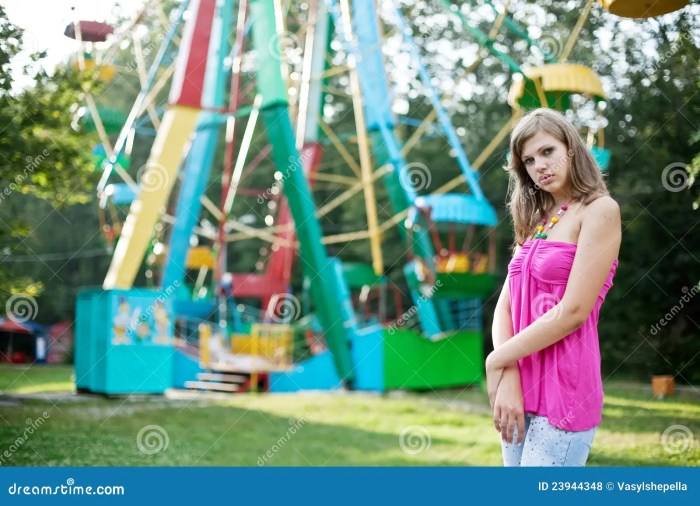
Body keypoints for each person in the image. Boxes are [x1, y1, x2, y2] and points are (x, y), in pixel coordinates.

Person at [486, 108, 621, 467]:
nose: (539, 166)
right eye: (528, 160)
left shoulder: (600, 210)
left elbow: (574, 312)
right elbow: (507, 306)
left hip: (564, 389)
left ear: (571, 149)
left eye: (547, 151)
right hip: (518, 387)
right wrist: (509, 373)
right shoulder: (537, 220)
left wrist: (497, 358)